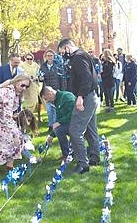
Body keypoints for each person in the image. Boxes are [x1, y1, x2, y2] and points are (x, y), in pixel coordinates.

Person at [58, 38, 99, 174]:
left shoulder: (78, 57)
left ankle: (83, 163)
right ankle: (94, 156)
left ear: (68, 47)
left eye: (62, 51)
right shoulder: (83, 55)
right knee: (90, 128)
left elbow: (86, 77)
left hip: (85, 97)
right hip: (90, 96)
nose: (63, 54)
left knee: (75, 130)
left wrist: (80, 96)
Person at [0, 74, 32, 175]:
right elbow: (7, 116)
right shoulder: (9, 92)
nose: (24, 88)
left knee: (16, 139)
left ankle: (9, 165)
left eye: (27, 86)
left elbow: (6, 112)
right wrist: (16, 130)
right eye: (22, 85)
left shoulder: (15, 92)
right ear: (16, 82)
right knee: (9, 142)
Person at [42, 86, 75, 162]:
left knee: (59, 130)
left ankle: (67, 155)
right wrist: (51, 135)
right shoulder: (57, 100)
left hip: (78, 123)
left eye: (46, 99)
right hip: (70, 123)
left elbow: (73, 113)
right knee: (58, 129)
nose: (46, 101)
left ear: (50, 94)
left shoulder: (66, 97)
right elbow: (58, 120)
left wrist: (60, 122)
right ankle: (67, 154)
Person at [39, 49, 65, 132]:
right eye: (48, 55)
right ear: (45, 57)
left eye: (51, 55)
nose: (49, 57)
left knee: (58, 109)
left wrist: (63, 90)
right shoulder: (42, 66)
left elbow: (62, 78)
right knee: (49, 109)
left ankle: (58, 124)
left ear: (54, 56)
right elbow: (40, 78)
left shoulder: (58, 66)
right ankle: (51, 126)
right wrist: (40, 79)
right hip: (47, 91)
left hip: (56, 90)